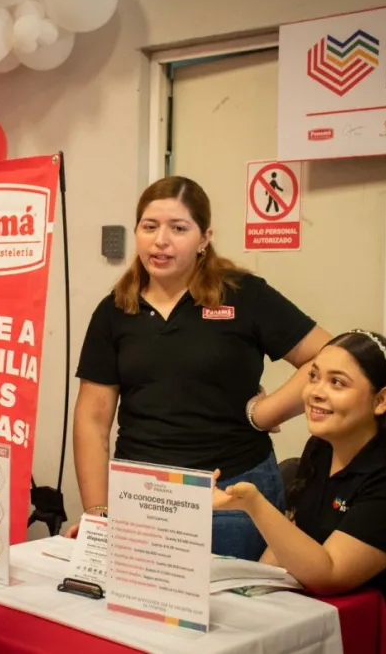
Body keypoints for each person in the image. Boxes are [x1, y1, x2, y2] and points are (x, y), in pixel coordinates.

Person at [72, 175, 330, 560]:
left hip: (232, 495)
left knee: (241, 617)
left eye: (178, 228)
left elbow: (329, 356)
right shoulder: (115, 311)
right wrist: (97, 513)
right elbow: (92, 421)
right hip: (142, 497)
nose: (161, 240)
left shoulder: (244, 295)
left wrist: (266, 411)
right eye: (149, 226)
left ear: (204, 238)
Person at [214, 330, 386, 653]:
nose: (316, 393)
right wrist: (249, 594)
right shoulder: (320, 449)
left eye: (337, 383)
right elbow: (289, 543)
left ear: (381, 400)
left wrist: (253, 504)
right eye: (314, 377)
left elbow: (329, 574)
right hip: (331, 620)